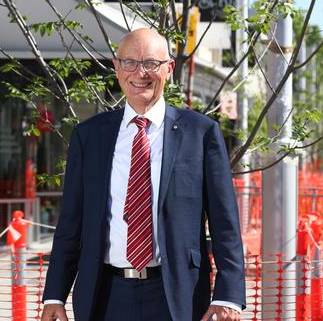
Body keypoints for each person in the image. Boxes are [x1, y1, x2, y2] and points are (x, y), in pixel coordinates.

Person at [41, 28, 245, 321]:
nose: (141, 73)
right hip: (104, 295)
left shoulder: (200, 133)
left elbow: (225, 222)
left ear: (169, 68)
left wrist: (228, 295)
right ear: (117, 67)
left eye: (151, 63)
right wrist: (55, 295)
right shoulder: (89, 136)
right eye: (130, 63)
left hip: (178, 296)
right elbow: (71, 223)